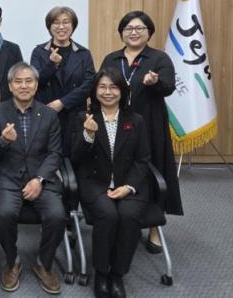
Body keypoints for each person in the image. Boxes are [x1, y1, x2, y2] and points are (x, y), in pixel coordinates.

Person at [100, 10, 183, 252]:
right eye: (129, 28)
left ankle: (154, 227)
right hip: (116, 124)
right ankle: (124, 219)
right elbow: (101, 87)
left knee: (152, 172)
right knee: (120, 170)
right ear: (121, 33)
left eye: (139, 28)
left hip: (149, 125)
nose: (134, 32)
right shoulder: (112, 59)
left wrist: (154, 82)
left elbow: (168, 87)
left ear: (149, 32)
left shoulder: (159, 58)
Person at [0, 62, 66, 294]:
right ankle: (12, 261)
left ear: (36, 85)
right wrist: (3, 141)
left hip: (42, 178)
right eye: (18, 81)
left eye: (28, 81)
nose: (23, 86)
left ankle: (44, 263)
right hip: (8, 177)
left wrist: (39, 179)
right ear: (10, 86)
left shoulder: (49, 114)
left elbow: (55, 153)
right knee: (3, 214)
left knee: (57, 215)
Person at [71, 68, 151, 298]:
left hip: (129, 184)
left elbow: (143, 159)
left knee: (128, 216)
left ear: (122, 91)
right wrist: (88, 135)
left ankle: (117, 275)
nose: (108, 92)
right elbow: (75, 158)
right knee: (108, 215)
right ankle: (101, 272)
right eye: (102, 87)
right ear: (95, 91)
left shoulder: (135, 120)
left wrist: (129, 187)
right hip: (95, 183)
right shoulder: (84, 118)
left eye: (114, 87)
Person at [30, 6, 95, 157]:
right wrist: (52, 64)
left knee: (73, 155)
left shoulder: (84, 53)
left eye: (66, 22)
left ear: (73, 26)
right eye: (56, 23)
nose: (61, 27)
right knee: (46, 155)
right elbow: (34, 82)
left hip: (74, 112)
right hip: (46, 111)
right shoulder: (39, 52)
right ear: (49, 26)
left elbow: (89, 84)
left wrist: (63, 102)